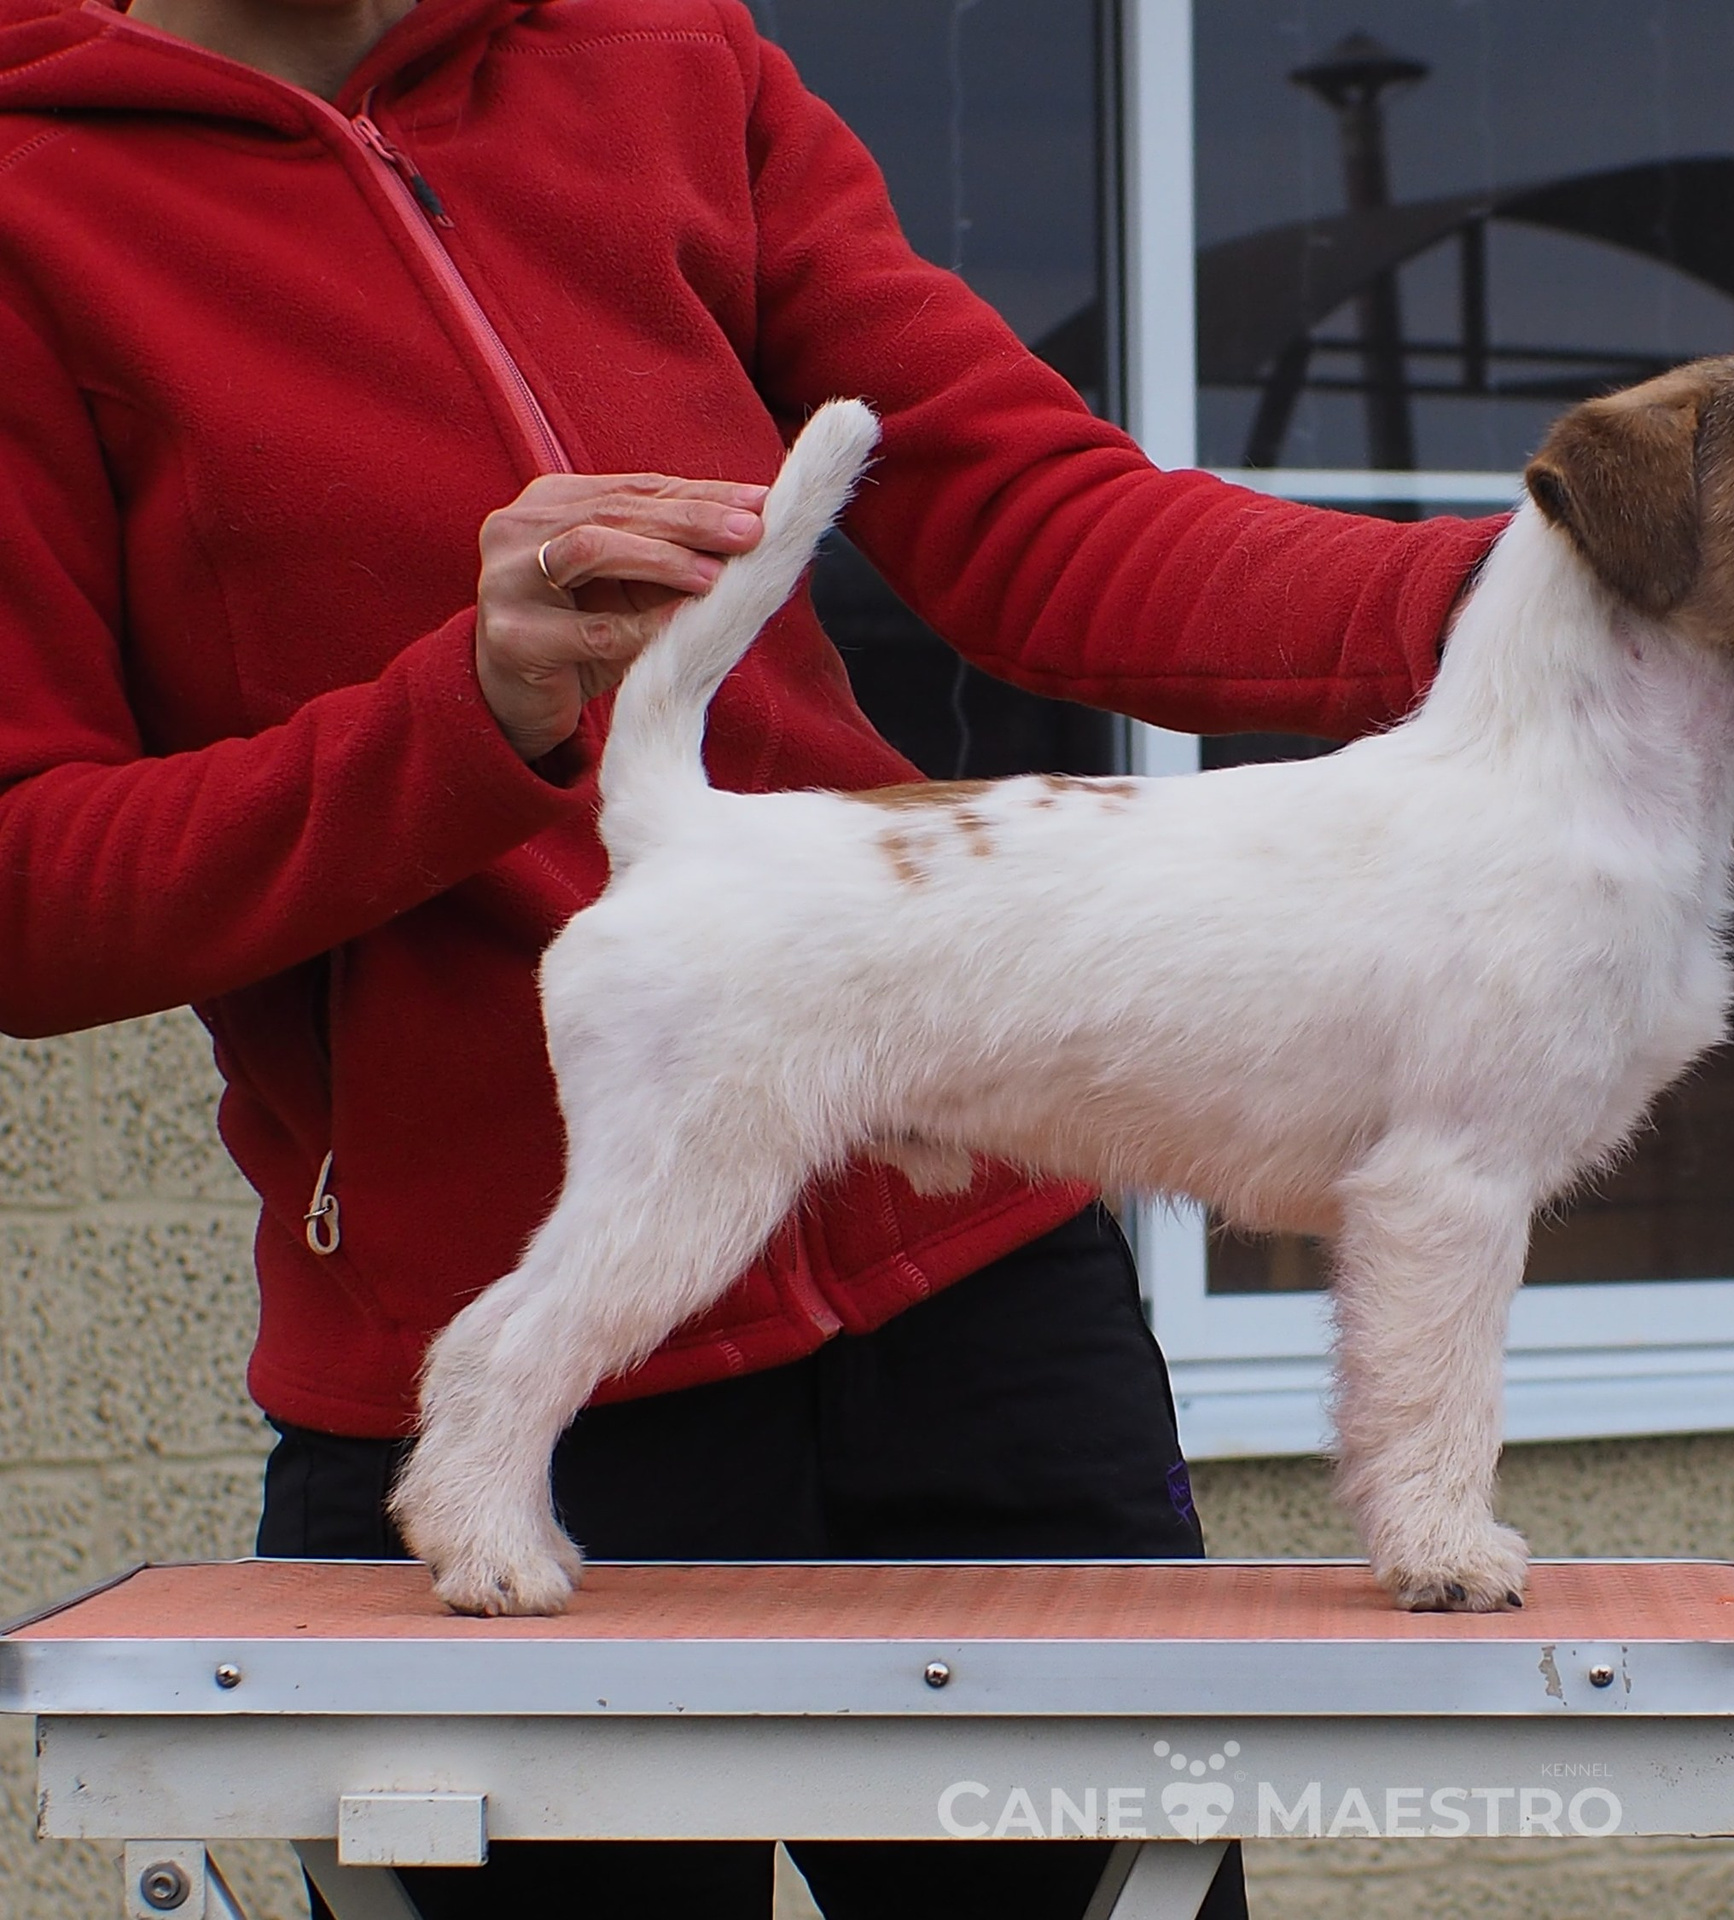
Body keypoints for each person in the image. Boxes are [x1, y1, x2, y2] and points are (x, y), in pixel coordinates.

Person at [0, 0, 1507, 1913]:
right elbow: (30, 889)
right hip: (513, 1382)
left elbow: (1037, 514)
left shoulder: (671, 58)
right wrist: (464, 715)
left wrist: (1506, 596)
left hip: (977, 1320)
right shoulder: (33, 201)